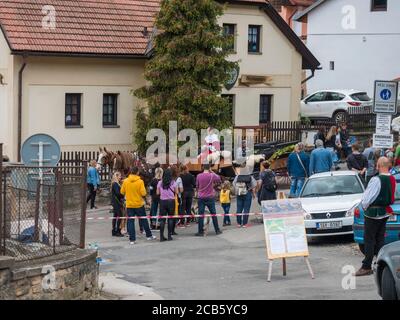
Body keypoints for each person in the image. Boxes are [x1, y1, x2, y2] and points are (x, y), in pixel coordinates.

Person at [355, 157, 396, 276]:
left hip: (373, 213)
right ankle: (380, 264)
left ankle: (366, 266)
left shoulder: (376, 179)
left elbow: (367, 198)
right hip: (384, 212)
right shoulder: (392, 178)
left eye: (377, 164)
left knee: (369, 240)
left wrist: (365, 206)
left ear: (379, 165)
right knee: (380, 239)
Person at [121, 166, 156, 245]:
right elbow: (143, 193)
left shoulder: (126, 181)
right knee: (144, 220)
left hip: (129, 204)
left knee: (130, 221)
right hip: (139, 204)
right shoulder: (140, 181)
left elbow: (122, 192)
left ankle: (132, 239)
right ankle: (148, 235)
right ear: (137, 173)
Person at [195, 164, 222, 236]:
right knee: (213, 214)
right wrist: (212, 171)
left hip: (201, 197)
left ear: (203, 167)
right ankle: (217, 230)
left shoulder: (198, 176)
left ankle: (200, 232)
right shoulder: (212, 175)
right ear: (209, 168)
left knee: (201, 215)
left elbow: (197, 186)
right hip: (210, 197)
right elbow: (219, 179)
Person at [233, 163, 257, 228]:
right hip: (247, 193)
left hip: (239, 193)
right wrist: (254, 193)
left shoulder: (237, 176)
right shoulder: (250, 176)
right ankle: (245, 224)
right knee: (246, 208)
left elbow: (234, 184)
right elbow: (254, 185)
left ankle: (238, 223)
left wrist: (237, 190)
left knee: (239, 208)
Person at [157, 168, 178, 242]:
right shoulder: (173, 182)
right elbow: (177, 192)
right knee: (170, 218)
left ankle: (161, 237)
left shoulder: (160, 182)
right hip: (171, 202)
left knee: (162, 220)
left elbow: (157, 193)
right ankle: (169, 236)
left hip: (163, 202)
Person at [111, 171, 124, 237]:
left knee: (115, 216)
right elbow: (117, 193)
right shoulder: (115, 184)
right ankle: (118, 231)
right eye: (119, 176)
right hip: (116, 202)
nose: (120, 177)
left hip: (115, 201)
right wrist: (123, 195)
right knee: (120, 215)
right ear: (116, 176)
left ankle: (114, 231)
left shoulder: (115, 183)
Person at [172, 165, 184, 232]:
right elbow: (181, 190)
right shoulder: (179, 179)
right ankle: (177, 223)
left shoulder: (167, 178)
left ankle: (171, 225)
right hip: (177, 197)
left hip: (168, 197)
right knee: (178, 210)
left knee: (170, 213)